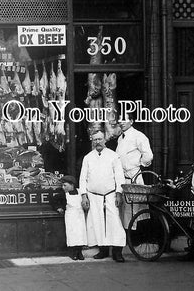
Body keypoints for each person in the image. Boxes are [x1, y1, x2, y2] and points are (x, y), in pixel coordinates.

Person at [79, 130, 126, 262]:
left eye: (100, 139)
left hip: (110, 195)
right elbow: (83, 178)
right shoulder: (88, 157)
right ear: (92, 141)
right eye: (95, 139)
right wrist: (84, 196)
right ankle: (103, 250)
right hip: (94, 196)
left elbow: (119, 176)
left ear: (105, 140)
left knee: (114, 223)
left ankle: (117, 252)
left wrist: (118, 194)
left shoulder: (113, 156)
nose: (98, 142)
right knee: (98, 223)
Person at [116, 112, 154, 229]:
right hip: (122, 178)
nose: (121, 122)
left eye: (124, 120)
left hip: (133, 177)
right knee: (124, 209)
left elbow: (148, 155)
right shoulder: (120, 138)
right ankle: (127, 238)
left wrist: (137, 165)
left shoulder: (139, 136)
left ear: (131, 121)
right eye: (120, 120)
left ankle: (134, 238)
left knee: (134, 209)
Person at [52, 175, 87, 260]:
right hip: (71, 216)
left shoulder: (80, 192)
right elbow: (54, 200)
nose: (63, 187)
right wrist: (58, 207)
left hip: (80, 216)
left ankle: (80, 252)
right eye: (62, 186)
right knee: (72, 234)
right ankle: (73, 252)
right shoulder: (63, 194)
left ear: (72, 185)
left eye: (65, 185)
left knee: (81, 234)